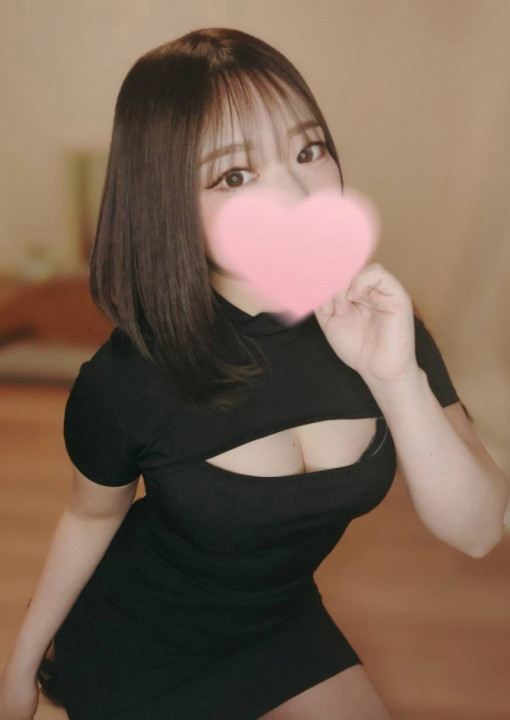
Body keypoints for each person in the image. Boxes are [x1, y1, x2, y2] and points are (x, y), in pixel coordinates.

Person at [1, 27, 507, 720]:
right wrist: (20, 669)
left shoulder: (383, 325)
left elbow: (479, 532)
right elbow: (89, 517)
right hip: (133, 649)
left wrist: (396, 379)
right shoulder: (126, 381)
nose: (297, 193)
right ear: (167, 200)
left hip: (279, 624)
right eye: (236, 176)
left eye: (308, 149)